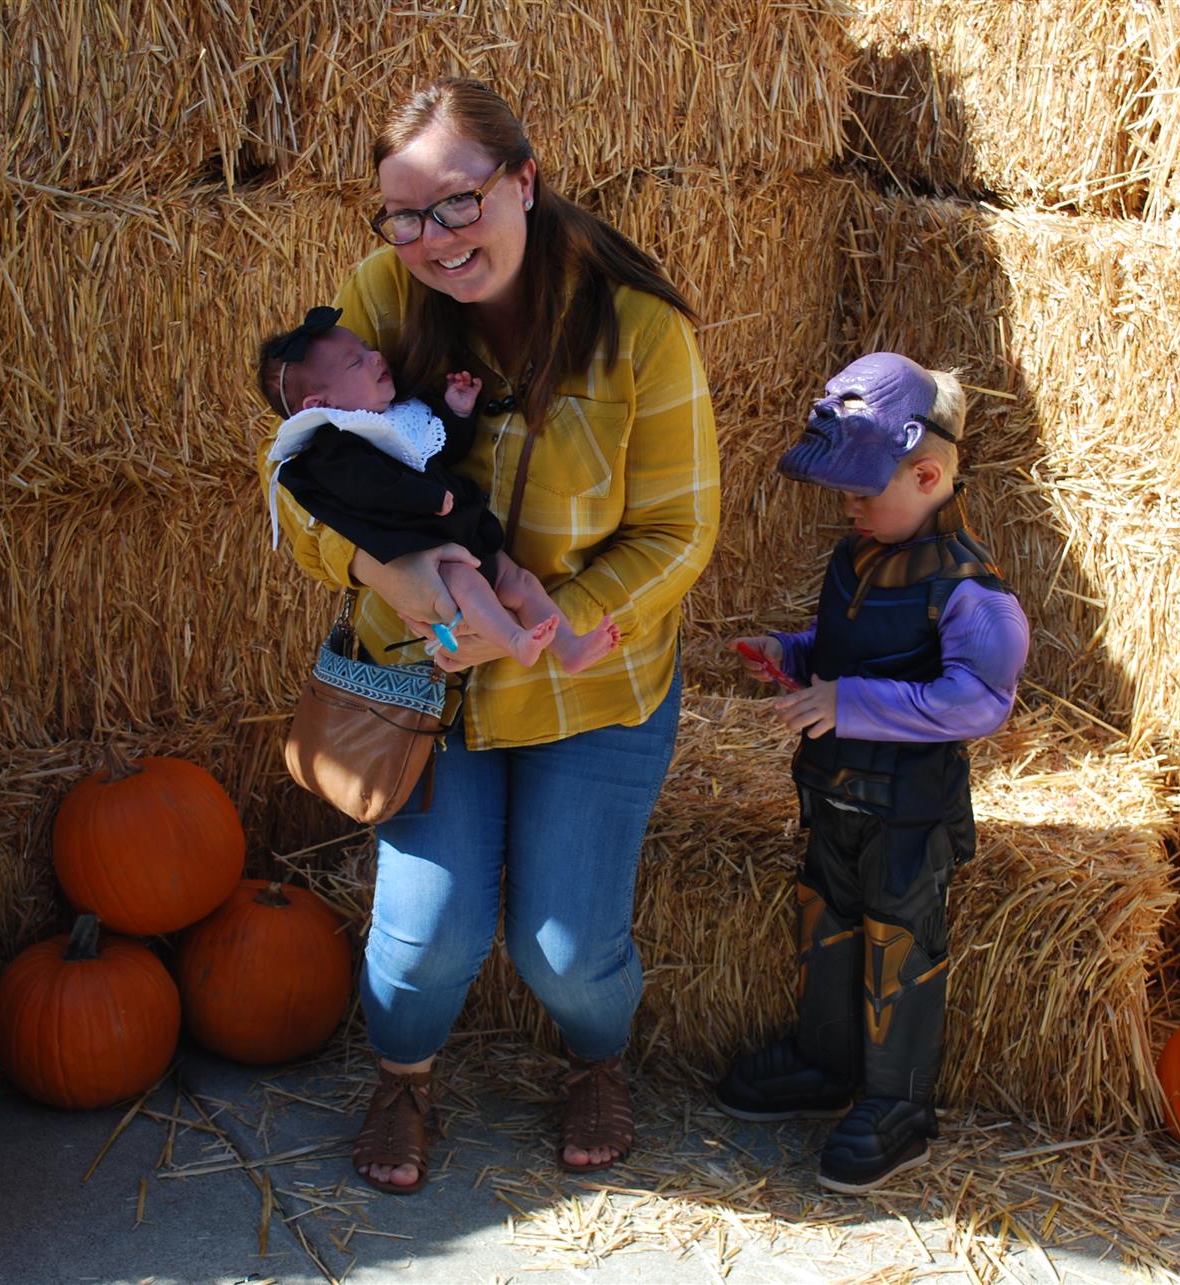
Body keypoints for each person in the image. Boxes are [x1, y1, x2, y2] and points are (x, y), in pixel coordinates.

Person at [263, 77, 719, 1194]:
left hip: (583, 684)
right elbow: (293, 477)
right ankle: (404, 1076)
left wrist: (555, 618)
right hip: (429, 684)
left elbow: (681, 529)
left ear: (525, 178)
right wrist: (393, 571)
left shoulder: (636, 331)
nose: (433, 240)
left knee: (567, 954)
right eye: (405, 215)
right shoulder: (377, 295)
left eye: (458, 204)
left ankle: (596, 1055)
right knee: (428, 940)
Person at [713, 353, 1029, 1194]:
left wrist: (846, 703)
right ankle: (825, 1063)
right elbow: (846, 651)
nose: (849, 507)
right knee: (827, 925)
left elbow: (977, 700)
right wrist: (792, 655)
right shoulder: (853, 561)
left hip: (908, 814)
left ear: (927, 474)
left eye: (863, 490)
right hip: (832, 794)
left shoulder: (971, 593)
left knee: (900, 944)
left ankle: (899, 1103)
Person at [259, 307, 620, 671]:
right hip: (425, 549)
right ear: (320, 405)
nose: (376, 357)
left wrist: (457, 413)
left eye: (368, 347)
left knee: (520, 580)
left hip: (462, 529)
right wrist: (426, 498)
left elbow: (440, 451)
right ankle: (515, 641)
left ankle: (569, 647)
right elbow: (370, 488)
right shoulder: (332, 448)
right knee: (467, 585)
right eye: (356, 363)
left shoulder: (394, 414)